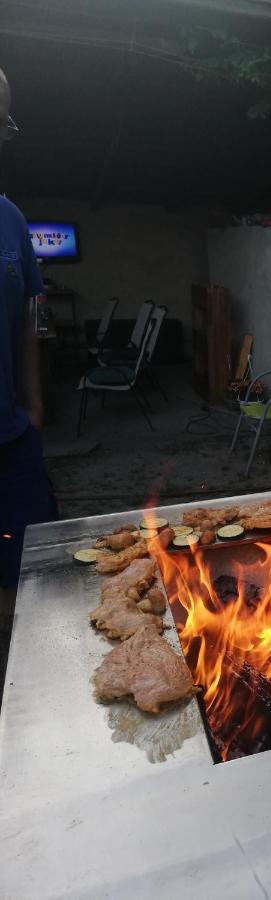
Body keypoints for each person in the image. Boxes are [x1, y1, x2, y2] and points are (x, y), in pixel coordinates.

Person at [0, 67, 54, 691]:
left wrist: (35, 407)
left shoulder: (11, 221)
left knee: (26, 580)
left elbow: (29, 322)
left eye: (3, 123)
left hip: (13, 444)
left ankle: (20, 695)